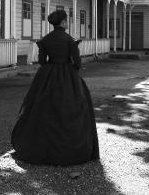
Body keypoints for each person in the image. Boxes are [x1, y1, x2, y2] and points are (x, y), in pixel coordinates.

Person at [11, 9, 99, 166]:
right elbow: (77, 63)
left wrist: (50, 68)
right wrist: (70, 70)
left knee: (42, 108)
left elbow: (42, 61)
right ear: (64, 22)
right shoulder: (70, 40)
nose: (67, 23)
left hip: (47, 75)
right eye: (67, 21)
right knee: (72, 107)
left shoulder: (46, 40)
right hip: (67, 76)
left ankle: (43, 148)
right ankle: (70, 149)